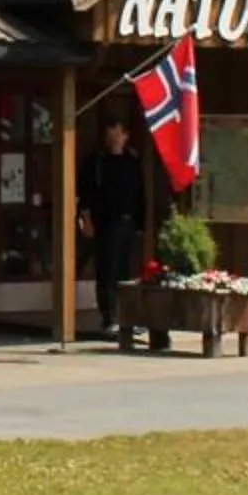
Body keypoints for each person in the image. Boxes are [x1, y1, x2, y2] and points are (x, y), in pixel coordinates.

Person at [78, 115, 161, 350]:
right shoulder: (97, 162)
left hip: (127, 224)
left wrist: (140, 226)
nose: (113, 137)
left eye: (117, 133)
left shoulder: (132, 161)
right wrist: (86, 220)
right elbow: (84, 194)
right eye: (110, 133)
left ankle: (127, 318)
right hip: (105, 224)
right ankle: (109, 318)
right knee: (107, 271)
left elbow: (140, 194)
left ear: (125, 136)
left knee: (126, 273)